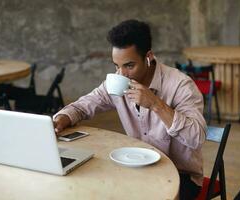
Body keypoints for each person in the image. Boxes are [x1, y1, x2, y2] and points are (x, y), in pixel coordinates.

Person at [53, 19, 206, 199]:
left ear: (148, 57)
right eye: (116, 65)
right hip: (136, 167)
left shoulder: (181, 85)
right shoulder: (118, 82)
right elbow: (82, 106)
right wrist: (62, 118)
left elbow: (197, 138)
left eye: (129, 66)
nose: (121, 74)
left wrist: (156, 104)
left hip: (181, 176)